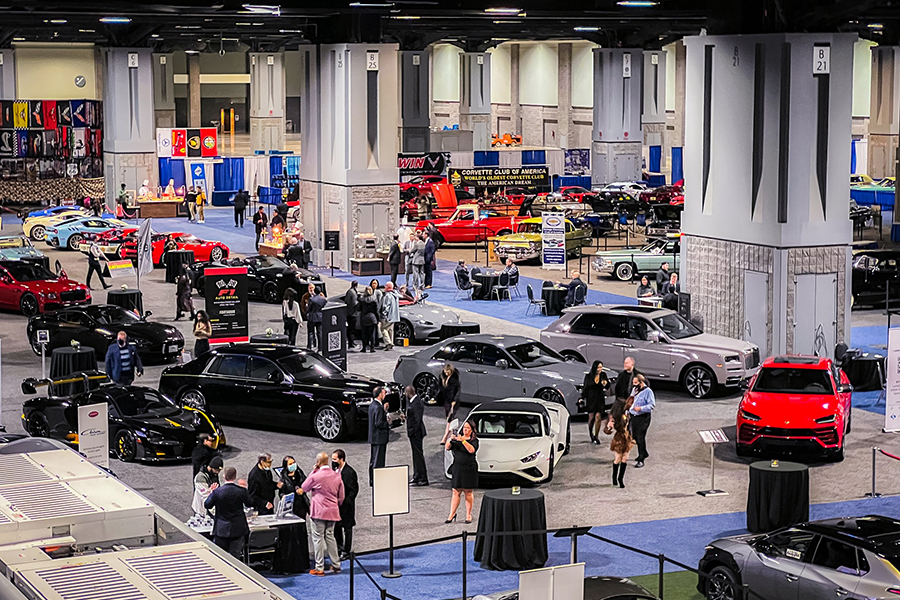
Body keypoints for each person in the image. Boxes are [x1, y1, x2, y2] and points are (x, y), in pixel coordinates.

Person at [298, 452, 345, 576]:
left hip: (319, 512)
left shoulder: (316, 476)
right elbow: (341, 496)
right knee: (330, 536)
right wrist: (335, 505)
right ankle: (336, 565)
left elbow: (304, 487)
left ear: (318, 462)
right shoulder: (337, 475)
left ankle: (319, 568)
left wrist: (313, 471)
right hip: (333, 511)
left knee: (317, 538)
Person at [204, 466, 255, 559]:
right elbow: (250, 503)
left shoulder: (217, 492)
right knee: (236, 557)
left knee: (220, 557)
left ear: (224, 476)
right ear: (235, 477)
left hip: (221, 529)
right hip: (238, 529)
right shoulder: (241, 491)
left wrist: (211, 492)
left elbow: (207, 505)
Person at [274, 455, 310, 574]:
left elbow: (306, 484)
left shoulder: (300, 473)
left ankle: (303, 562)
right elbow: (281, 493)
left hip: (301, 507)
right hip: (290, 509)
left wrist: (302, 490)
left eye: (293, 462)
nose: (292, 465)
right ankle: (292, 563)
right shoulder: (283, 477)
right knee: (291, 536)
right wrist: (283, 497)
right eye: (290, 464)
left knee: (301, 534)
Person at [445, 420, 478, 524]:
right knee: (456, 491)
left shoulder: (474, 440)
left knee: (468, 491)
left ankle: (468, 514)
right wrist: (451, 439)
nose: (465, 430)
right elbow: (447, 447)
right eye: (464, 428)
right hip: (457, 468)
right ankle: (452, 514)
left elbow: (471, 450)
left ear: (472, 430)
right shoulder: (457, 440)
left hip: (469, 468)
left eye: (468, 428)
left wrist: (463, 440)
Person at [332, 449, 358, 561]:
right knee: (337, 527)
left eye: (335, 459)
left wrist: (346, 502)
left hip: (347, 505)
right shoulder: (335, 470)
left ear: (341, 459)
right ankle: (338, 547)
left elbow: (354, 490)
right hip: (336, 505)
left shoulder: (349, 472)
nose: (333, 461)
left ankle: (346, 550)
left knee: (347, 528)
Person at [628, 374, 655, 468]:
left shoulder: (648, 392)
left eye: (636, 383)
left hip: (643, 418)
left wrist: (640, 408)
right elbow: (631, 401)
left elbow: (651, 405)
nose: (634, 385)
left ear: (641, 382)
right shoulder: (635, 390)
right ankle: (644, 452)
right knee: (634, 436)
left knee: (640, 437)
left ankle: (641, 459)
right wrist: (627, 411)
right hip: (634, 417)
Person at [608, 398, 634, 488]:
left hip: (627, 438)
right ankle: (614, 477)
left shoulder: (626, 414)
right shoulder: (615, 418)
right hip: (619, 438)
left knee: (625, 458)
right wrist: (610, 426)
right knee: (618, 458)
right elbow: (609, 427)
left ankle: (620, 479)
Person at [582, 360, 610, 445]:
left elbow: (608, 386)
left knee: (598, 417)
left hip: (599, 399)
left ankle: (596, 436)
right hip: (591, 399)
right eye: (598, 367)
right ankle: (591, 434)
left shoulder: (603, 375)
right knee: (591, 418)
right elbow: (586, 388)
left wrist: (605, 384)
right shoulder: (589, 376)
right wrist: (582, 397)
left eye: (601, 367)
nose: (600, 369)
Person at [405, 385, 428, 486]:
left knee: (418, 455)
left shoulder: (417, 403)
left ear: (407, 393)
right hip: (414, 433)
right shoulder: (414, 402)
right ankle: (417, 475)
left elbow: (417, 420)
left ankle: (423, 478)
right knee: (415, 455)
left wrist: (412, 431)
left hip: (416, 433)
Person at [367, 386, 389, 485]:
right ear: (380, 394)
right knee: (378, 461)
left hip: (374, 437)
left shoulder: (372, 405)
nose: (385, 395)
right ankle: (377, 481)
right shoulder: (378, 407)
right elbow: (379, 423)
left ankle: (372, 480)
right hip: (379, 437)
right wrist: (388, 423)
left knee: (373, 459)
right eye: (384, 393)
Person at [438, 364, 461, 442]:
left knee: (450, 418)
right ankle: (452, 435)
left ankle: (445, 436)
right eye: (445, 371)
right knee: (449, 417)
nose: (446, 373)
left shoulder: (454, 378)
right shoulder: (442, 377)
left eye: (448, 372)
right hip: (447, 400)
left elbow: (457, 390)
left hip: (454, 401)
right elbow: (440, 388)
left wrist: (454, 400)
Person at [380, 281, 400, 350]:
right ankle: (391, 342)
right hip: (394, 316)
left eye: (385, 286)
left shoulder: (388, 296)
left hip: (388, 316)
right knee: (390, 330)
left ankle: (388, 343)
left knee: (383, 329)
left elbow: (386, 306)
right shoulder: (395, 295)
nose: (384, 287)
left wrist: (384, 315)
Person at [359, 286, 379, 353]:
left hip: (364, 318)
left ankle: (364, 348)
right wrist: (378, 318)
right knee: (372, 334)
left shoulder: (362, 300)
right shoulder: (374, 299)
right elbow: (376, 310)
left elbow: (358, 308)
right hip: (372, 318)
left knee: (364, 334)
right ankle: (372, 348)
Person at [344, 281, 359, 349]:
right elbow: (354, 303)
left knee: (350, 329)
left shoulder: (349, 291)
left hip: (349, 313)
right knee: (351, 329)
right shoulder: (352, 292)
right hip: (352, 313)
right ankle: (351, 342)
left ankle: (351, 342)